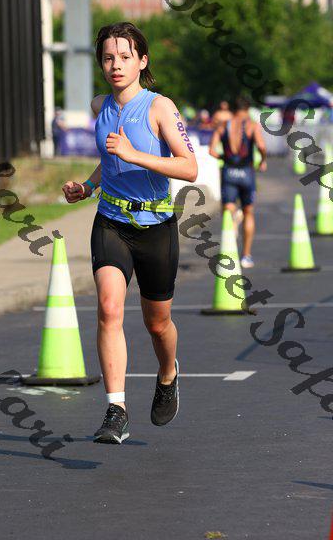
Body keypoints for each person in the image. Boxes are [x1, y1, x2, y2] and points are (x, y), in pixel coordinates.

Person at [62, 22, 197, 444]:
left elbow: (189, 167)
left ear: (142, 61)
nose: (115, 65)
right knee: (108, 308)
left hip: (156, 227)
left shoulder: (160, 107)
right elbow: (110, 158)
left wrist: (136, 154)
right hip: (111, 222)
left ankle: (168, 372)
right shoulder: (99, 104)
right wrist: (89, 186)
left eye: (124, 57)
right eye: (108, 58)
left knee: (157, 324)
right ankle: (116, 409)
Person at [209, 96, 267, 269]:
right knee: (249, 212)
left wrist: (224, 158)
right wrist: (262, 161)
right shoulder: (252, 125)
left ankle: (229, 251)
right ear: (247, 109)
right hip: (247, 172)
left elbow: (212, 150)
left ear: (233, 109)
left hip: (229, 172)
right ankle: (246, 256)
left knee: (228, 211)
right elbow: (262, 146)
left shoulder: (223, 126)